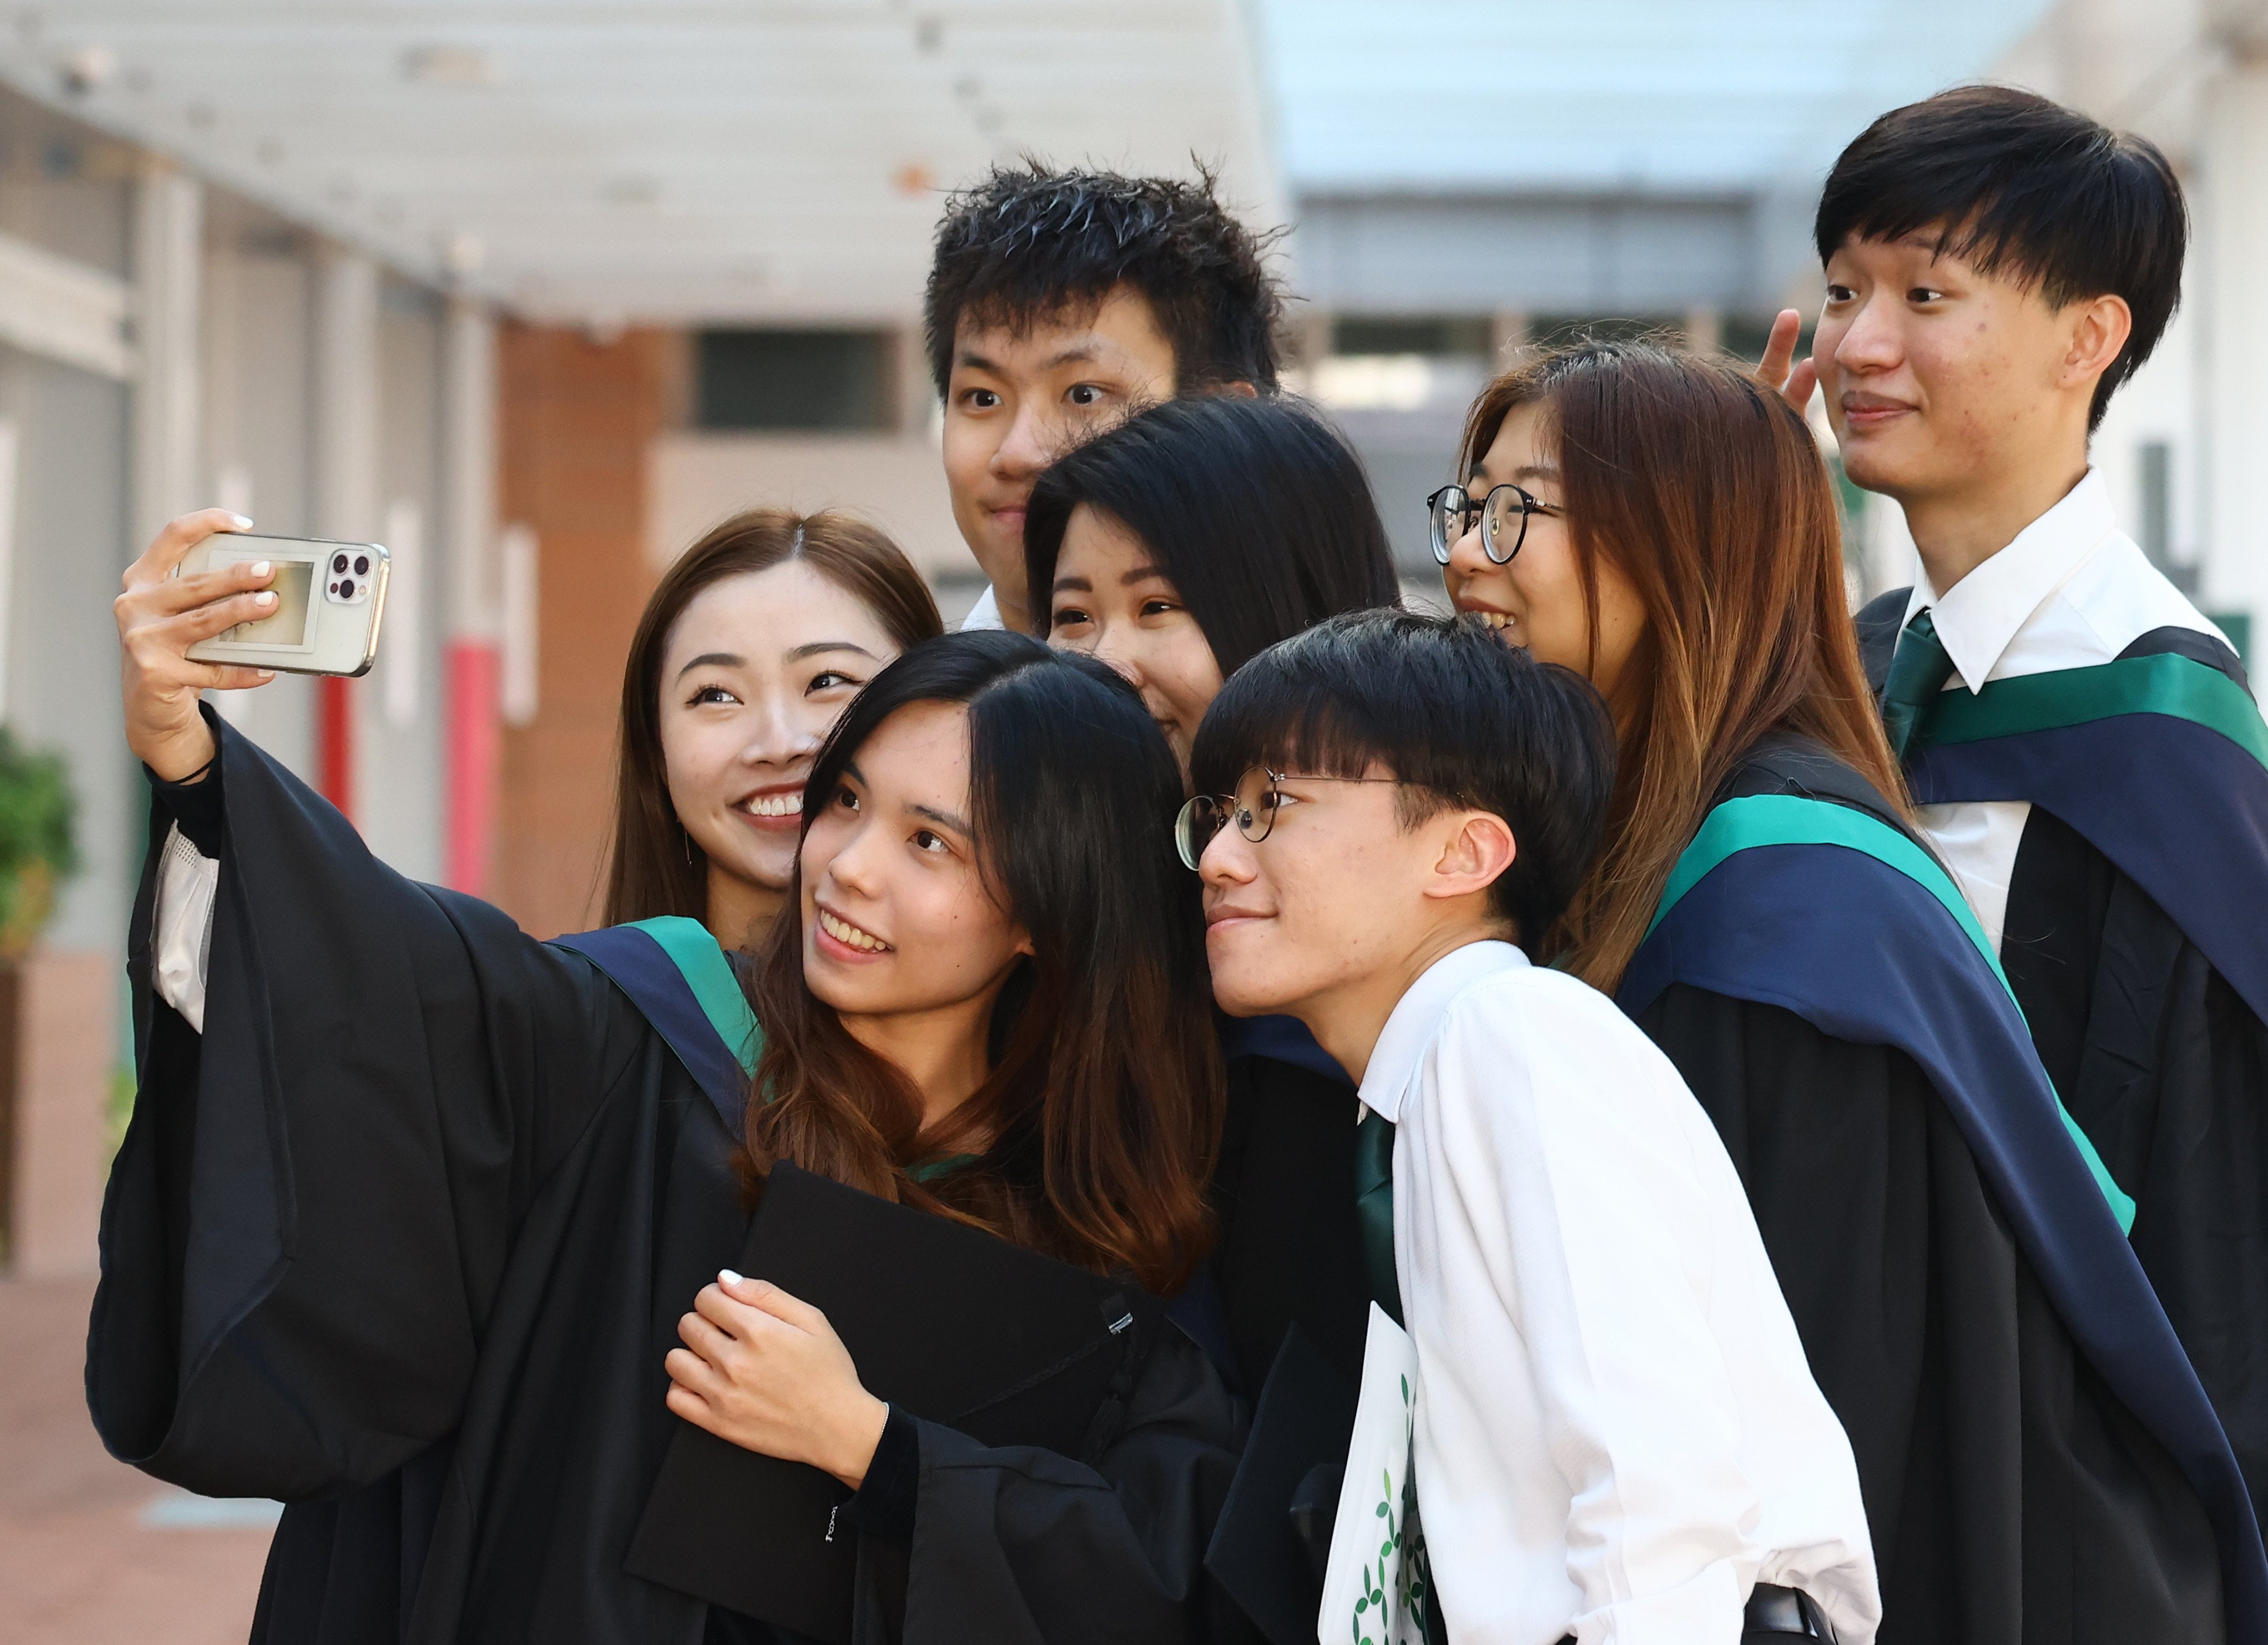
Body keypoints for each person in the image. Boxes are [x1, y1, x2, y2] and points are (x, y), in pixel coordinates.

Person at [93, 508, 1237, 1643]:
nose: (846, 866)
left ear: (1048, 910)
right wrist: (193, 761)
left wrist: (874, 1446)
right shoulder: (629, 1033)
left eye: (929, 840)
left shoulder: (1078, 1221)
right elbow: (373, 974)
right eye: (848, 802)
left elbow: (1151, 1569)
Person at [1439, 337, 2268, 1643]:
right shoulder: (1658, 840)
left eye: (1519, 511)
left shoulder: (1777, 918)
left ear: (1678, 545)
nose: (1464, 556)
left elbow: (1812, 1424)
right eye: (1468, 505)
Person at [1801, 86, 2268, 1643]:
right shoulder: (1860, 668)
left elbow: (2233, 1278)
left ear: (2085, 339)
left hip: (2062, 1533)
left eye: (1924, 293)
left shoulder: (2147, 733)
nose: (1857, 344)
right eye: (1842, 288)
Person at [1186, 609, 1881, 1644]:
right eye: (1218, 815)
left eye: (1273, 805)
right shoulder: (1434, 1076)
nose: (1216, 858)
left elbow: (1653, 1477)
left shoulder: (1510, 1033)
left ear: (1464, 851)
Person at [1025, 390, 1401, 1414]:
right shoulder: (1069, 934)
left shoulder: (1345, 1024)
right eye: (1072, 617)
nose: (1105, 663)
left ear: (1288, 613)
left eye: (1158, 607)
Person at [925, 162, 1283, 634]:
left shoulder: (1346, 680)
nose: (1017, 453)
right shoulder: (891, 682)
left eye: (1083, 394)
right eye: (983, 398)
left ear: (1227, 423)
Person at [602, 507, 942, 949]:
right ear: (656, 749)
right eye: (716, 695)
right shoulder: (586, 992)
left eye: (827, 681)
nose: (779, 744)